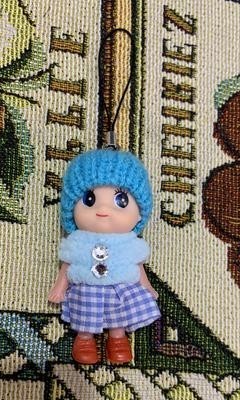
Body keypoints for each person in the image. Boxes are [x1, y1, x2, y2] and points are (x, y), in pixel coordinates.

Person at [48, 149, 160, 364]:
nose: (103, 209)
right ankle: (84, 339)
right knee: (85, 314)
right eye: (90, 199)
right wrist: (59, 288)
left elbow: (138, 267)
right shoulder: (78, 240)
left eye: (121, 201)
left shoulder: (129, 242)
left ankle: (118, 338)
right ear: (71, 209)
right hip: (87, 289)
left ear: (139, 214)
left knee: (119, 313)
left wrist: (147, 287)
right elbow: (67, 264)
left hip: (120, 288)